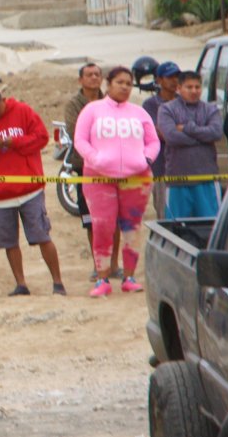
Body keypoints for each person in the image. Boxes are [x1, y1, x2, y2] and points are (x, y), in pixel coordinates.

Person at [73, 66, 159, 297]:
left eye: (128, 83)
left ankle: (129, 277)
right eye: (119, 82)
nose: (124, 87)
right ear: (108, 84)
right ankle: (102, 278)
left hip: (136, 178)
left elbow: (153, 142)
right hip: (99, 177)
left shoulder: (139, 113)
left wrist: (145, 159)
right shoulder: (92, 110)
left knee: (131, 228)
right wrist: (95, 158)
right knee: (102, 226)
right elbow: (80, 139)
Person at [0, 87, 64, 296]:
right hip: (1, 195)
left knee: (42, 235)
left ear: (2, 100)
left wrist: (13, 142)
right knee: (9, 242)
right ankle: (21, 284)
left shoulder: (22, 111)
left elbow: (41, 138)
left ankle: (58, 282)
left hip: (30, 188)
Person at [65, 63, 119, 281]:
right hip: (85, 168)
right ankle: (99, 266)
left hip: (114, 169)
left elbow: (120, 129)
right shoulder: (73, 105)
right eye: (89, 75)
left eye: (97, 74)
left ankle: (114, 265)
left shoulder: (113, 101)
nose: (94, 78)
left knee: (114, 220)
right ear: (80, 80)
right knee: (92, 221)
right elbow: (75, 131)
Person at [157, 70, 223, 220]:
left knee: (210, 227)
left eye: (197, 87)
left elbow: (216, 133)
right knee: (177, 228)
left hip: (207, 181)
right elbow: (171, 137)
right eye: (189, 87)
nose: (194, 91)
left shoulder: (210, 109)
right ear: (178, 88)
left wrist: (187, 128)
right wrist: (202, 139)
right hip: (177, 181)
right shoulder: (167, 109)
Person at [142, 61, 180, 218]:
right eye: (169, 77)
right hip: (161, 168)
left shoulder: (185, 101)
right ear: (158, 80)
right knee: (166, 218)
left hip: (186, 167)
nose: (174, 80)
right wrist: (183, 131)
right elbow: (160, 133)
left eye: (177, 76)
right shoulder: (151, 104)